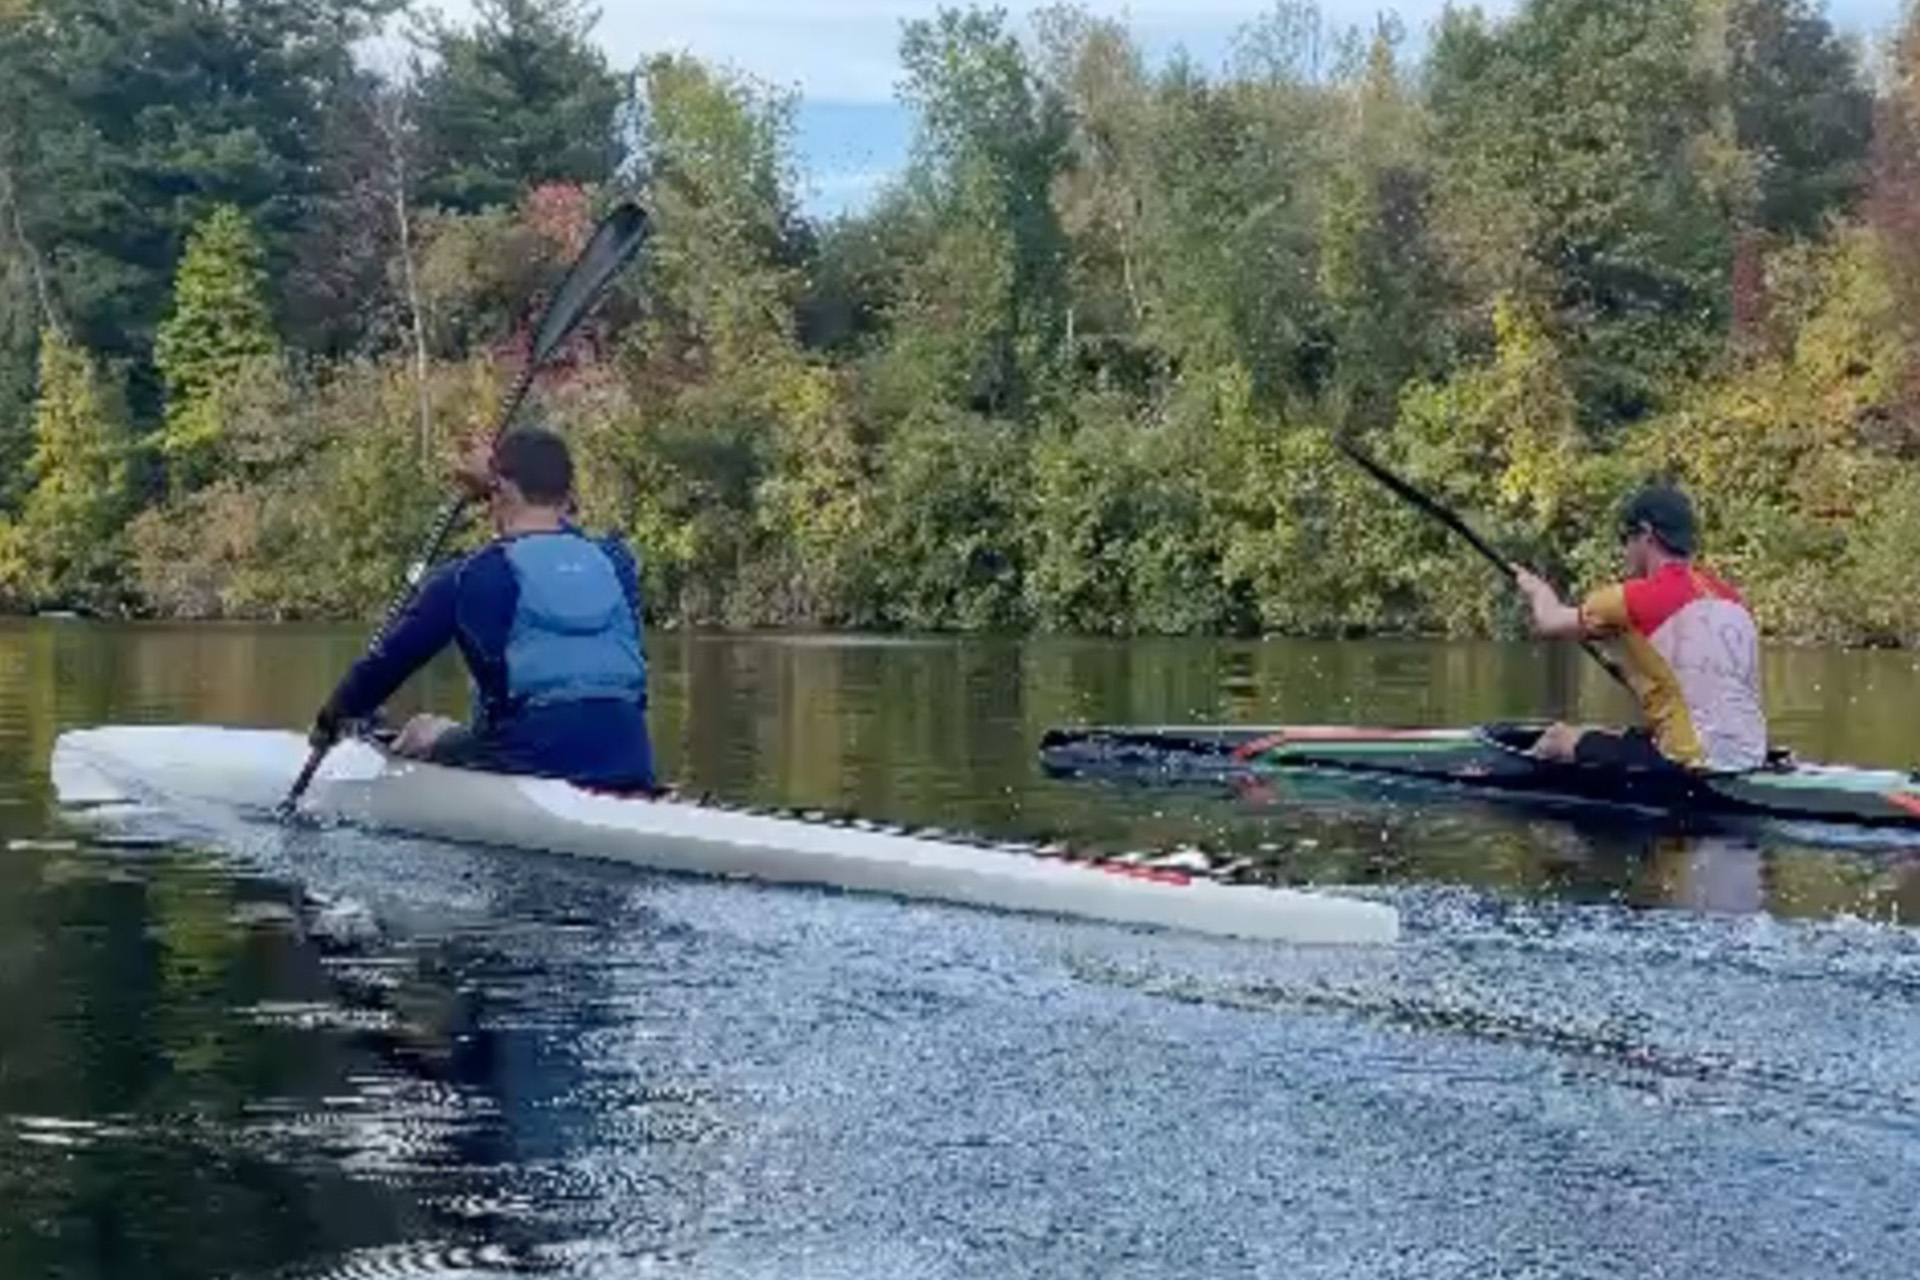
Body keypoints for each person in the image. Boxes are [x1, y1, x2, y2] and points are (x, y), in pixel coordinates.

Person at [310, 427, 657, 792]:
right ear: (567, 494)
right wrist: (496, 479)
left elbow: (383, 668)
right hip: (629, 760)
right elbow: (562, 543)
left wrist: (330, 720)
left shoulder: (467, 577)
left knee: (424, 730)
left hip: (530, 765)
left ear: (501, 490)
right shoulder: (617, 561)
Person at [1510, 483, 1766, 774]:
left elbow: (1549, 620)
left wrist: (1534, 588)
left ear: (1646, 534)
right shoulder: (1732, 599)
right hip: (1752, 756)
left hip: (1693, 764)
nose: (1625, 551)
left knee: (1557, 738)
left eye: (1626, 538)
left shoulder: (1631, 598)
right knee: (1615, 733)